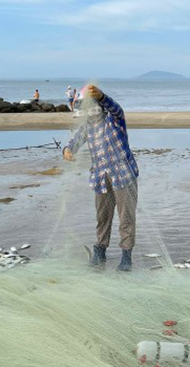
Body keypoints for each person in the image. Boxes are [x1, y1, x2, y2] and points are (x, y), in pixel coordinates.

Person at [63, 85, 139, 271]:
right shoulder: (86, 128)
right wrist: (67, 150)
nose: (90, 110)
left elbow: (117, 109)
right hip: (100, 178)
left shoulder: (114, 120)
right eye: (86, 106)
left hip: (124, 176)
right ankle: (100, 250)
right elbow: (74, 141)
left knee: (126, 217)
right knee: (102, 217)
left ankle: (126, 255)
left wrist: (103, 96)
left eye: (94, 105)